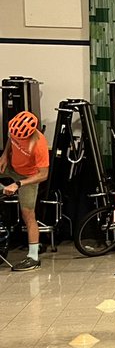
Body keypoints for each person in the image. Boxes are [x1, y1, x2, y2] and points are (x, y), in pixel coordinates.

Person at [0, 111, 49, 272]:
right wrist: (5, 155)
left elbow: (43, 175)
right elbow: (10, 139)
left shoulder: (39, 145)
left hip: (29, 176)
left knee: (28, 214)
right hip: (12, 165)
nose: (16, 138)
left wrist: (18, 184)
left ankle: (33, 257)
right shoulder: (14, 127)